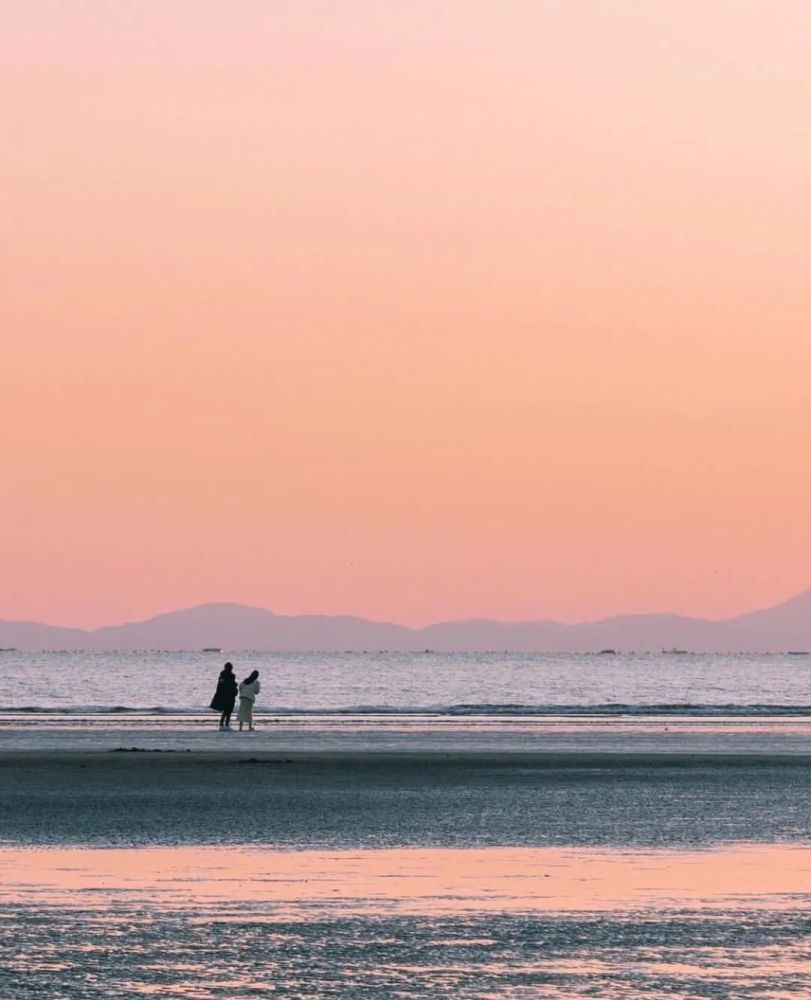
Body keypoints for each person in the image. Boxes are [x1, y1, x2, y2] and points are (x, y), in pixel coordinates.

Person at [210, 662, 238, 730]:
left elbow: (220, 686)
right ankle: (226, 724)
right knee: (228, 711)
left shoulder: (222, 675)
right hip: (229, 695)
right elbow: (231, 685)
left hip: (223, 695)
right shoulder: (232, 675)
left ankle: (222, 724)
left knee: (225, 711)